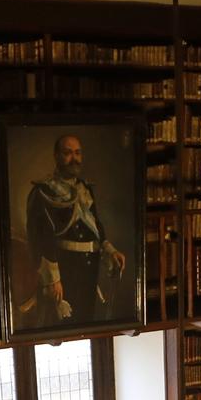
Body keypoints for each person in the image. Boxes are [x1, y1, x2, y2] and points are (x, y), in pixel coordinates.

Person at [20, 133, 128, 327]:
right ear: (56, 156)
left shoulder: (85, 188)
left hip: (89, 268)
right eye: (68, 153)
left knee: (86, 321)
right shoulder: (43, 191)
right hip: (63, 269)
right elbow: (39, 237)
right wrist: (52, 279)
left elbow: (95, 227)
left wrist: (110, 251)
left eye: (78, 153)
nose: (74, 158)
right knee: (62, 324)